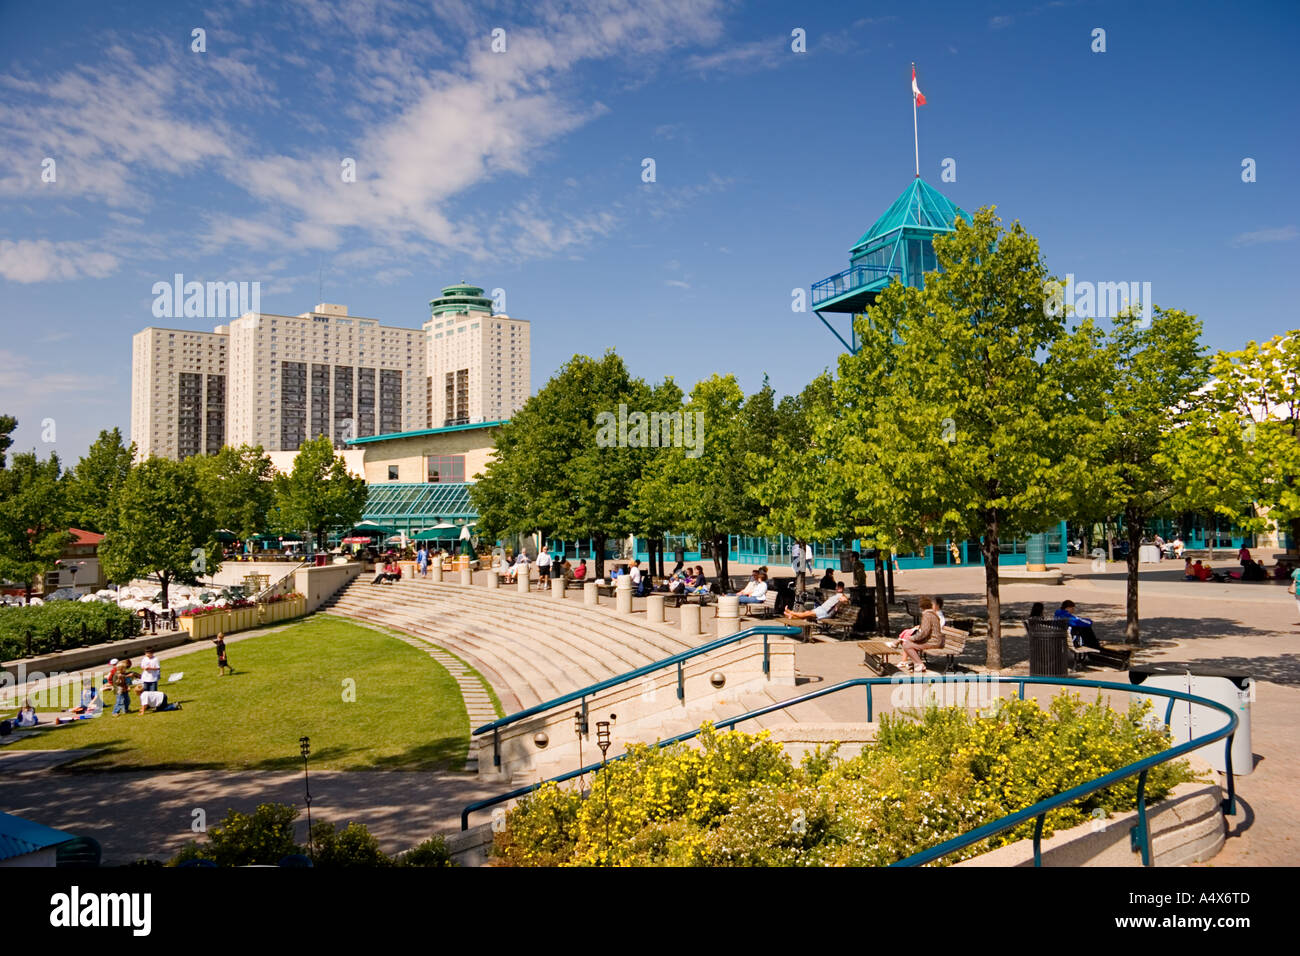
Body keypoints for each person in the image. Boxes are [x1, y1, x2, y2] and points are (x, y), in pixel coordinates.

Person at [894, 596, 944, 673]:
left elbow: (924, 632)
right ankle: (916, 664)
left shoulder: (928, 615)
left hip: (933, 641)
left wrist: (912, 638)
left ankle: (919, 664)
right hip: (934, 640)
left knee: (906, 645)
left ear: (922, 607)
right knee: (908, 643)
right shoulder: (932, 614)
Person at [783, 582, 849, 622]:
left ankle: (791, 612)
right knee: (807, 614)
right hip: (822, 609)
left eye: (838, 588)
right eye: (837, 587)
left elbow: (845, 600)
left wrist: (842, 601)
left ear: (842, 588)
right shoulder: (837, 595)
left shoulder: (841, 595)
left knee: (807, 613)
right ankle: (791, 616)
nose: (836, 589)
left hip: (825, 612)